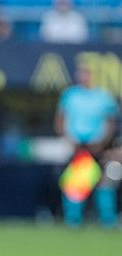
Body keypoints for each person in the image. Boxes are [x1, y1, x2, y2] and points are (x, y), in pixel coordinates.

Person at [55, 64, 119, 228]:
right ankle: (73, 219)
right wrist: (69, 140)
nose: (84, 77)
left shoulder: (103, 97)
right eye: (82, 74)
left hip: (98, 146)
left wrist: (103, 143)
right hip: (77, 146)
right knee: (75, 183)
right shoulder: (70, 95)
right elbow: (60, 120)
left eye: (88, 74)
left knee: (104, 181)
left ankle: (107, 220)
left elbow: (111, 123)